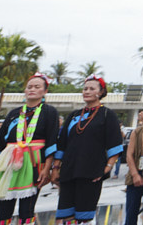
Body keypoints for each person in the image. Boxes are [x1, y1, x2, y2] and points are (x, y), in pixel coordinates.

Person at [0, 73, 60, 225]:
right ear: (25, 91)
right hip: (8, 162)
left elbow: (51, 141)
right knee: (3, 209)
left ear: (45, 91)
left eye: (37, 87)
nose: (32, 89)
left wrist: (47, 169)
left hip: (34, 163)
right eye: (29, 87)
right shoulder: (14, 114)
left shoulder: (49, 112)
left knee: (27, 209)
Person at [53, 75, 124, 224]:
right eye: (85, 88)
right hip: (69, 170)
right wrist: (56, 168)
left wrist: (107, 168)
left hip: (91, 171)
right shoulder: (74, 115)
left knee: (84, 215)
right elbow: (62, 144)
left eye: (92, 89)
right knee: (66, 214)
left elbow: (115, 144)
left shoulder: (107, 115)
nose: (87, 91)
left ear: (101, 92)